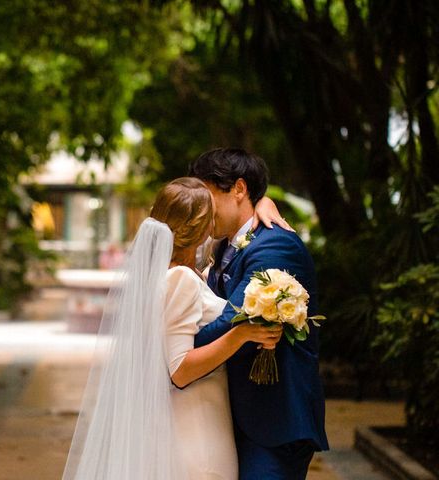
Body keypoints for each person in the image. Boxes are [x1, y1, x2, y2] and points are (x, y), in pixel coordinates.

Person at [62, 177, 285, 480]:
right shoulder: (180, 279)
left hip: (186, 426)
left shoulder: (172, 276)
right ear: (203, 228)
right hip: (196, 433)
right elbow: (179, 369)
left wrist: (262, 202)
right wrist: (242, 333)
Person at [189, 148, 329, 480]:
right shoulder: (224, 245)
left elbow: (230, 322)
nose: (201, 209)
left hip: (273, 421)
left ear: (239, 189)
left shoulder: (274, 246)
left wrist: (176, 346)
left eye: (206, 196)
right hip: (238, 416)